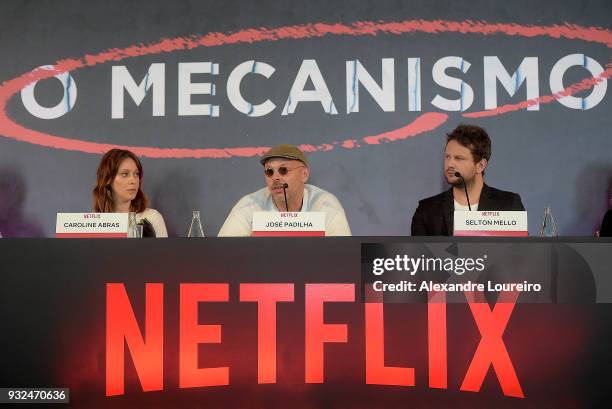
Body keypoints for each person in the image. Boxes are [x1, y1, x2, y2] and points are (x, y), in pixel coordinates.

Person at [411, 124, 524, 236]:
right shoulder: (426, 210)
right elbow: (419, 253)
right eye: (447, 157)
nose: (450, 164)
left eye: (459, 158)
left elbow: (519, 252)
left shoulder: (509, 205)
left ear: (480, 165)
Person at [218, 144, 351, 236]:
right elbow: (223, 255)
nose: (275, 177)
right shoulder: (249, 205)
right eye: (269, 171)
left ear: (304, 174)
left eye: (283, 170)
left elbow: (343, 258)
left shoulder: (325, 205)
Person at [93, 149, 168, 237]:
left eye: (136, 174)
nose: (133, 180)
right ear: (108, 180)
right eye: (125, 174)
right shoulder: (95, 222)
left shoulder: (152, 218)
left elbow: (164, 251)